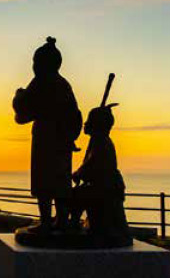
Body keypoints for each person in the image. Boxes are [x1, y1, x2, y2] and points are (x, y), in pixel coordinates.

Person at [13, 37, 82, 232]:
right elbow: (75, 114)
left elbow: (24, 110)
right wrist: (70, 136)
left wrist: (18, 96)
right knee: (60, 183)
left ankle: (47, 222)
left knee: (44, 185)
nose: (34, 66)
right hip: (62, 141)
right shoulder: (63, 84)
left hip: (46, 140)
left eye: (36, 62)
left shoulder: (40, 82)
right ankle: (60, 221)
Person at [69, 105, 133, 247]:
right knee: (75, 195)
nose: (85, 123)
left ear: (97, 125)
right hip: (103, 185)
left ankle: (72, 225)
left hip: (105, 188)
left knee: (73, 196)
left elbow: (92, 165)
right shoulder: (99, 141)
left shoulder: (101, 142)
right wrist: (81, 173)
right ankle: (74, 224)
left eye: (89, 120)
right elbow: (90, 165)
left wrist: (79, 173)